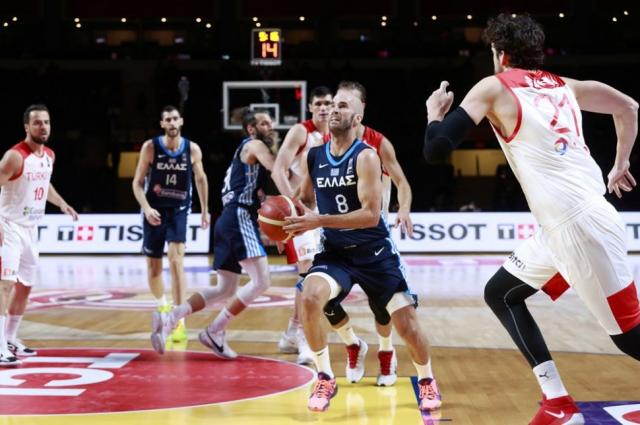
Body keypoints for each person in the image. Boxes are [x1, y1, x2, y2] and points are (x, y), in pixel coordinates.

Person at [424, 13, 639, 425]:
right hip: (563, 226)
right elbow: (628, 106)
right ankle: (557, 402)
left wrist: (434, 114)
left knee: (629, 336)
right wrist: (620, 163)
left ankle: (560, 403)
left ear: (501, 54)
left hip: (579, 227)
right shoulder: (564, 85)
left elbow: (436, 149)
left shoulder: (492, 86)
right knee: (500, 293)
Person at [284, 90, 441, 412]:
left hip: (374, 253)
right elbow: (306, 198)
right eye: (331, 105)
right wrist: (285, 217)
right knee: (310, 297)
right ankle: (325, 376)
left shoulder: (367, 156)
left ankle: (427, 380)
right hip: (335, 253)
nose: (332, 109)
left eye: (341, 105)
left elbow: (370, 215)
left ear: (357, 118)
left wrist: (317, 220)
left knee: (407, 326)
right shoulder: (313, 156)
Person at [151, 109, 275, 359]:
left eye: (270, 123)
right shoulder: (255, 145)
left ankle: (172, 317)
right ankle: (215, 330)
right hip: (238, 216)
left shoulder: (245, 155)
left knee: (225, 290)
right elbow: (278, 168)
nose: (270, 127)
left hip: (227, 219)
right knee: (261, 281)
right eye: (264, 123)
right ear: (251, 129)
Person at [0, 104, 78, 366]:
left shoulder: (49, 156)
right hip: (9, 226)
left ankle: (10, 338)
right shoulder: (15, 156)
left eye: (46, 122)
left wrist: (62, 203)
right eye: (37, 122)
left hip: (31, 230)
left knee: (25, 286)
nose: (43, 126)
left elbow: (44, 183)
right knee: (5, 284)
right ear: (26, 127)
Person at [132, 105, 209, 344]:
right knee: (153, 268)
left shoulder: (192, 149)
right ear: (162, 124)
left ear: (181, 121)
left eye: (175, 118)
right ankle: (162, 304)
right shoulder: (150, 147)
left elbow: (201, 179)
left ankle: (178, 320)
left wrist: (205, 210)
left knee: (176, 261)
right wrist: (146, 208)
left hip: (178, 210)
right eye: (168, 119)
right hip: (154, 210)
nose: (172, 123)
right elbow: (137, 183)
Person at [272, 86, 332, 365]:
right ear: (310, 107)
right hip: (301, 212)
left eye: (328, 103)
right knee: (309, 273)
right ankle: (305, 338)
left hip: (324, 214)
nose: (323, 108)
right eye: (318, 103)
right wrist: (293, 206)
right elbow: (278, 170)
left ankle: (292, 331)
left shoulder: (336, 135)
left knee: (317, 274)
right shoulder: (301, 132)